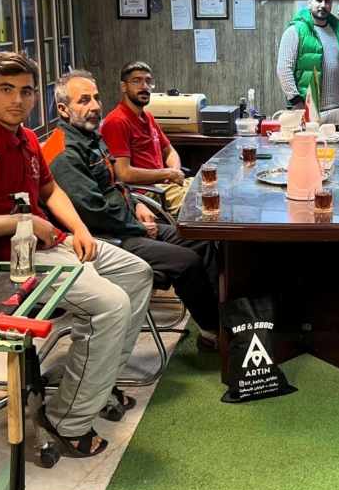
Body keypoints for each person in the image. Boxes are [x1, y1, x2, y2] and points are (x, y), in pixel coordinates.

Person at [0, 53, 154, 458]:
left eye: (25, 91)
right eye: (6, 90)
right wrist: (24, 222)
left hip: (52, 243)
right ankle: (68, 418)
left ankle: (97, 384)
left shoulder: (25, 138)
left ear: (35, 97)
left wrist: (80, 229)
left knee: (137, 273)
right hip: (11, 263)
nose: (16, 99)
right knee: (111, 304)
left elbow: (50, 191)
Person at [49, 70, 220, 353]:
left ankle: (220, 321)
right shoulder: (65, 151)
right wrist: (139, 228)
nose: (95, 106)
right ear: (64, 109)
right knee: (187, 261)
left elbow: (117, 182)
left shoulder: (90, 137)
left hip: (128, 223)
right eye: (84, 100)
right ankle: (213, 332)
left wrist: (137, 203)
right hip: (108, 237)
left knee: (203, 241)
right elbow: (93, 211)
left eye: (96, 98)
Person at [100, 61, 192, 216]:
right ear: (123, 87)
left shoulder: (147, 116)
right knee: (204, 202)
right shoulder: (117, 121)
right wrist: (167, 174)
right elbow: (124, 174)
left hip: (165, 186)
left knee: (211, 186)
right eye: (137, 81)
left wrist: (174, 172)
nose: (144, 87)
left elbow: (170, 152)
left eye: (148, 81)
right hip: (147, 193)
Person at [276, 0, 339, 121]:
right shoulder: (295, 30)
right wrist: (297, 103)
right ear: (309, 2)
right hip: (306, 110)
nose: (323, 5)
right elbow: (284, 69)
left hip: (338, 109)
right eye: (319, 0)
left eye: (327, 1)